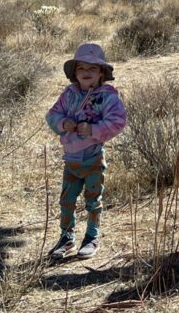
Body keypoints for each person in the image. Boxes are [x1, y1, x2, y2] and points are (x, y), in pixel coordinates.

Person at [45, 43, 127, 260]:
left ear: (101, 72)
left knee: (93, 199)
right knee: (67, 201)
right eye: (81, 68)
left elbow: (118, 120)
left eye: (92, 68)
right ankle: (66, 237)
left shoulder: (108, 97)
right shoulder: (69, 94)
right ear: (75, 73)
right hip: (70, 158)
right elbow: (52, 115)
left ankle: (92, 236)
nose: (86, 73)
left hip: (92, 157)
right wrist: (64, 124)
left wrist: (94, 130)